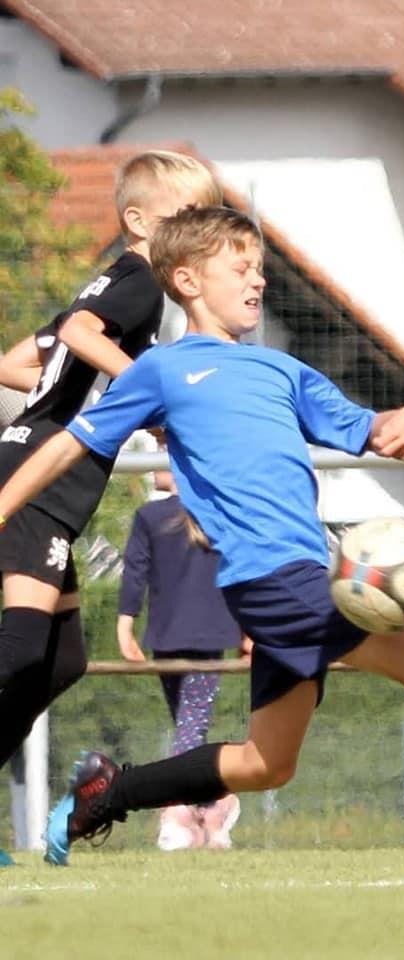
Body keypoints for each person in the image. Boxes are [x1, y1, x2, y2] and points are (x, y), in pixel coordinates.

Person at [0, 205, 404, 866]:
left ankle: (104, 794)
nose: (258, 280)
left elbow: (372, 429)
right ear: (186, 281)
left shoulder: (282, 372)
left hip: (302, 574)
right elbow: (69, 444)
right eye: (240, 267)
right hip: (265, 581)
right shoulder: (160, 371)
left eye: (260, 268)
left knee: (266, 763)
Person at [0, 150, 221, 865]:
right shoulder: (140, 283)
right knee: (22, 650)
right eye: (185, 215)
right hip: (40, 475)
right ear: (138, 222)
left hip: (42, 470)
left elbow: (21, 361)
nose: (198, 229)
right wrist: (152, 392)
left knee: (62, 660)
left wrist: (110, 394)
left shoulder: (114, 283)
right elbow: (77, 336)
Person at [117, 466, 251, 850]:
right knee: (189, 724)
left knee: (191, 725)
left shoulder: (216, 513)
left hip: (204, 636)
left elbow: (240, 571)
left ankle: (177, 809)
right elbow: (136, 570)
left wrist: (248, 631)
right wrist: (125, 627)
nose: (152, 464)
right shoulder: (152, 515)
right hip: (171, 637)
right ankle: (213, 803)